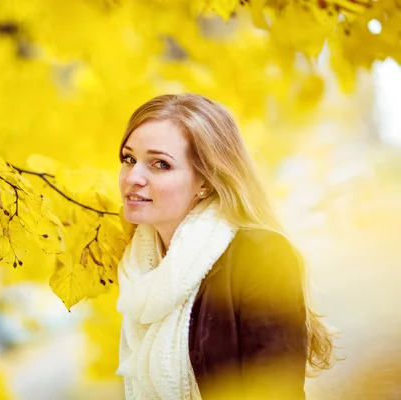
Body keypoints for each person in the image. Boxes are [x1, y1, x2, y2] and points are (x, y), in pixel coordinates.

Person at [115, 94, 334, 400]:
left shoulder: (262, 255)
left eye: (160, 164)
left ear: (205, 181)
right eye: (129, 159)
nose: (133, 177)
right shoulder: (138, 270)